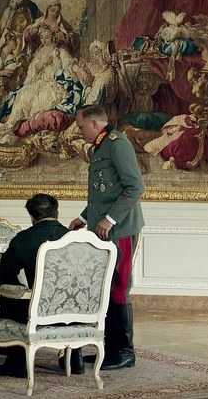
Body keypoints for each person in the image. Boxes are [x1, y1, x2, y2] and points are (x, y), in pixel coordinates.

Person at [69, 104, 145, 370]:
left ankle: (125, 352)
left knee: (119, 288)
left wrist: (111, 219)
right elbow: (104, 193)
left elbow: (135, 186)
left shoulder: (117, 143)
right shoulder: (101, 147)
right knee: (107, 288)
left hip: (121, 229)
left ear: (94, 123)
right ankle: (110, 349)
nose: (80, 132)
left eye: (81, 127)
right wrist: (84, 218)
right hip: (104, 230)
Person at [0, 193, 75, 378]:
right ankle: (75, 360)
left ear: (31, 216)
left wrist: (25, 292)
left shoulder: (24, 239)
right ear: (57, 214)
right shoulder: (76, 238)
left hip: (40, 311)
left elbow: (2, 276)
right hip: (79, 311)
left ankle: (17, 359)